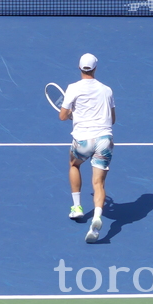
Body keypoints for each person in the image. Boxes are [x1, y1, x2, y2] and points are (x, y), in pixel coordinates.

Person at [59, 53, 116, 243]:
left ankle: (76, 208)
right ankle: (98, 217)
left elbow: (63, 115)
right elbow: (112, 119)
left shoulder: (73, 88)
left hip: (83, 140)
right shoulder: (107, 90)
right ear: (95, 68)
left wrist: (71, 116)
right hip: (104, 140)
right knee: (98, 184)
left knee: (74, 165)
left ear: (79, 68)